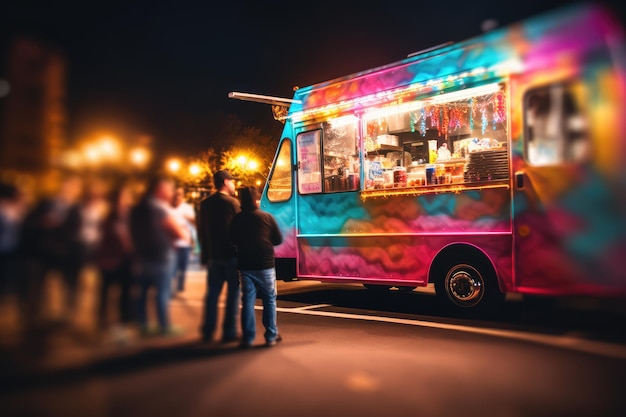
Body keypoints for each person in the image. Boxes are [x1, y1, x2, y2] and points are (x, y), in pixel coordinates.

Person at [129, 175, 188, 335]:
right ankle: (163, 325)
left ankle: (143, 324)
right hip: (161, 255)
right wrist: (182, 235)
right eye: (168, 189)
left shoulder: (138, 207)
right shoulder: (159, 208)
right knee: (162, 292)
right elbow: (177, 232)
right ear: (160, 189)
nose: (171, 193)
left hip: (142, 255)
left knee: (142, 293)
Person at [230, 186, 283, 348]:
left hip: (245, 265)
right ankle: (271, 336)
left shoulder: (237, 219)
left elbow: (232, 239)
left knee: (248, 301)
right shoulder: (266, 217)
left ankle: (248, 337)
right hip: (265, 264)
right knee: (269, 300)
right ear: (255, 200)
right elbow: (278, 239)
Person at [197, 169, 241, 343]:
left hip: (213, 256)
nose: (234, 184)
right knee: (232, 295)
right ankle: (229, 331)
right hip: (231, 256)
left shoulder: (205, 204)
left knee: (212, 294)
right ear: (225, 182)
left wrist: (205, 255)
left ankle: (208, 330)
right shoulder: (232, 203)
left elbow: (202, 231)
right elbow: (238, 230)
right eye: (232, 181)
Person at [94, 184, 135, 338]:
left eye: (126, 197)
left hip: (125, 259)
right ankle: (102, 321)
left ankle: (123, 322)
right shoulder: (108, 217)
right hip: (110, 259)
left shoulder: (128, 215)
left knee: (125, 292)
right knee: (106, 291)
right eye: (122, 197)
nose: (124, 201)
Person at [171, 186, 196, 293]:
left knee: (183, 267)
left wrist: (193, 241)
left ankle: (180, 285)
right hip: (171, 245)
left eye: (180, 194)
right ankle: (171, 286)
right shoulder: (167, 208)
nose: (177, 197)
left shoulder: (187, 208)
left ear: (182, 196)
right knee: (172, 267)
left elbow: (193, 226)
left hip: (185, 244)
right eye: (176, 194)